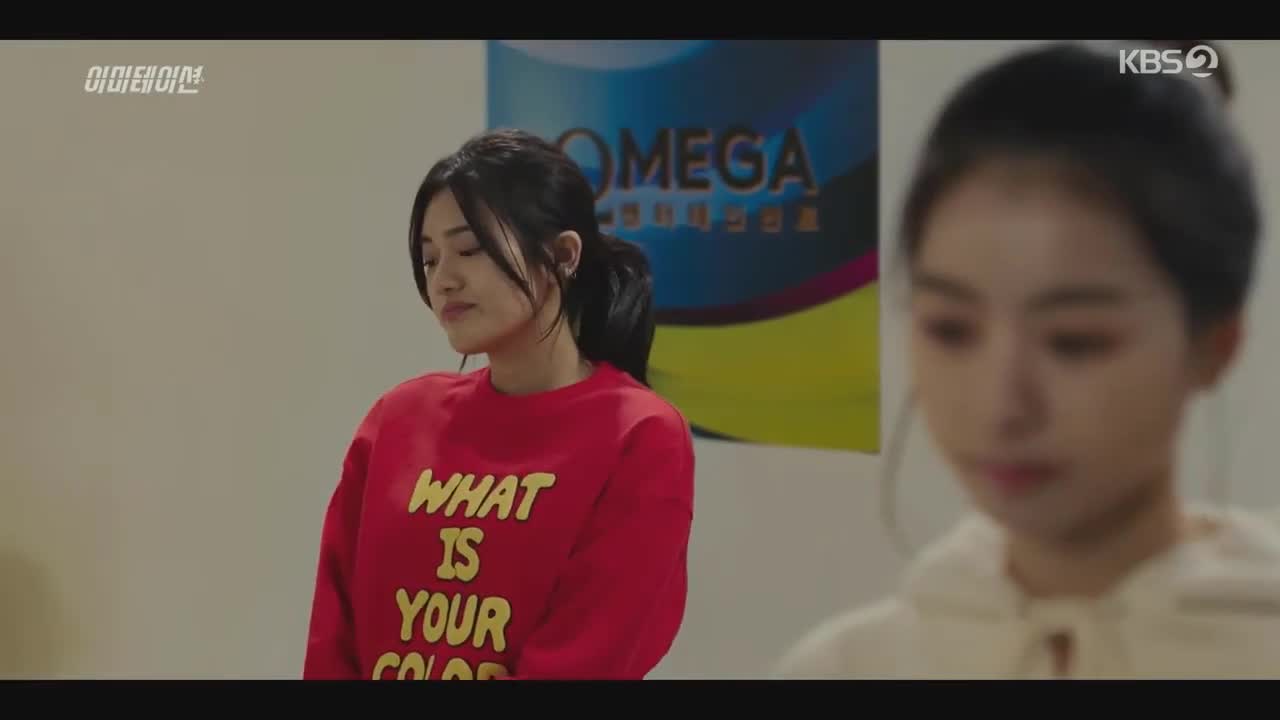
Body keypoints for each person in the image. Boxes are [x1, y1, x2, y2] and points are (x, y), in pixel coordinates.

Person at [775, 42, 1280, 680]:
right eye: (951, 329)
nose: (1000, 405)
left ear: (1214, 346)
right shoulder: (847, 667)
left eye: (1075, 341)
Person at [302, 128, 695, 680]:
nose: (444, 280)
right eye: (429, 259)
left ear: (562, 255)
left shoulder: (640, 434)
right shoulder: (399, 418)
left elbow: (588, 657)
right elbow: (333, 633)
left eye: (470, 249)